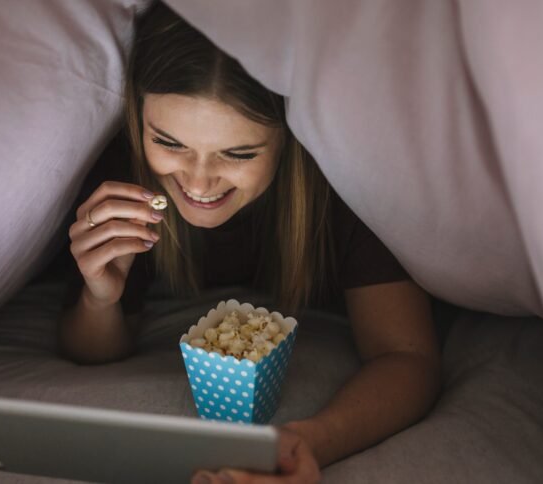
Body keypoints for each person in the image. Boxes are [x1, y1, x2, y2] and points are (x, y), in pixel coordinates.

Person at [58, 3, 440, 482]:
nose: (198, 182)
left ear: (289, 135)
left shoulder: (343, 184)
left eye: (237, 153)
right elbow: (88, 353)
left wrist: (308, 441)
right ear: (139, 118)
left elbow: (407, 357)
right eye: (170, 143)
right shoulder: (128, 183)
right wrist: (100, 297)